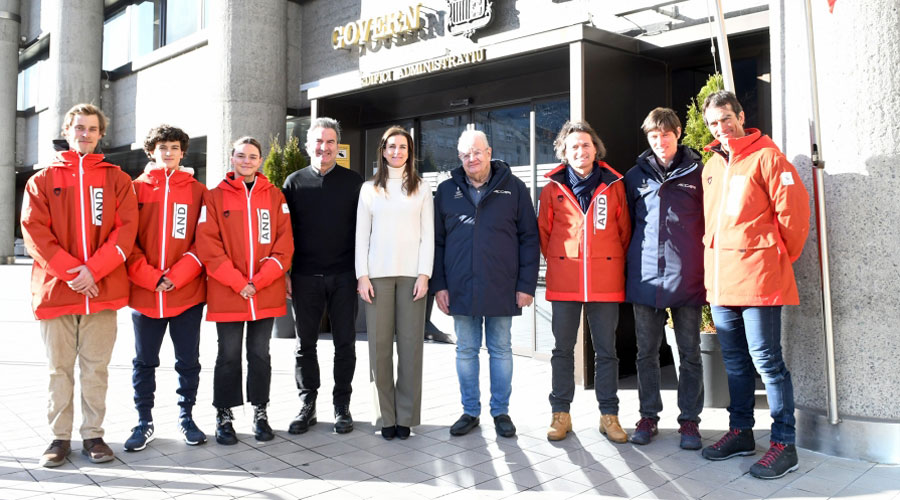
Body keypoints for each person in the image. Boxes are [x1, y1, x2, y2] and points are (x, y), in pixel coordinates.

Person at [699, 91, 810, 480]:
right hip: (722, 281)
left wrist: (774, 257)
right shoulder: (711, 165)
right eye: (714, 123)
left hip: (759, 280)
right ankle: (742, 432)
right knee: (734, 362)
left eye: (726, 119)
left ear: (741, 116)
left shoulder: (768, 158)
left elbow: (794, 217)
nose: (721, 128)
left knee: (767, 362)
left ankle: (784, 444)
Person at [21, 103, 138, 467]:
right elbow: (34, 232)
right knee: (58, 369)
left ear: (101, 134)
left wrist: (95, 271)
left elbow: (126, 230)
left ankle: (93, 436)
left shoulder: (118, 179)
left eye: (92, 128)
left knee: (95, 369)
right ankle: (59, 438)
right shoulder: (42, 180)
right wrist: (75, 273)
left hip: (102, 291)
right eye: (79, 128)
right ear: (67, 131)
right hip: (56, 290)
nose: (85, 134)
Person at [432, 129, 540, 438]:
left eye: (477, 152)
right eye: (466, 154)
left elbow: (529, 239)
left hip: (501, 285)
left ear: (489, 153)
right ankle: (470, 411)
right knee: (466, 350)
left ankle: (500, 412)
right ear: (459, 158)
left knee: (500, 349)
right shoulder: (446, 190)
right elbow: (437, 242)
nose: (472, 159)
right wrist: (440, 285)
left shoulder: (514, 188)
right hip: (460, 286)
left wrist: (526, 286)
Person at [537, 121, 631, 443]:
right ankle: (560, 414)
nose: (581, 151)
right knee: (562, 350)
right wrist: (563, 261)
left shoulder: (613, 185)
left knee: (607, 351)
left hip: (605, 280)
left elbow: (624, 232)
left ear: (595, 149)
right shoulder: (552, 189)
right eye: (574, 146)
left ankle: (609, 415)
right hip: (565, 280)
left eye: (586, 145)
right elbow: (545, 234)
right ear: (564, 151)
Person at [197, 136, 293, 445]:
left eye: (252, 156)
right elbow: (208, 246)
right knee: (228, 355)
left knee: (259, 354)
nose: (246, 161)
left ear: (260, 161)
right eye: (241, 156)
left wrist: (259, 282)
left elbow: (284, 245)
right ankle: (224, 415)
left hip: (265, 291)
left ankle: (260, 412)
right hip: (228, 292)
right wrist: (239, 283)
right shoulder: (214, 197)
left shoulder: (275, 196)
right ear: (232, 159)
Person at [124, 125, 208, 452]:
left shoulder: (198, 191)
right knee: (144, 362)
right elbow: (126, 240)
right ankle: (143, 421)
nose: (168, 152)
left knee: (188, 361)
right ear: (151, 151)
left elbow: (205, 240)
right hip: (146, 294)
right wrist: (150, 277)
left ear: (183, 152)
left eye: (174, 147)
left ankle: (186, 417)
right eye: (162, 147)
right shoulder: (134, 189)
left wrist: (179, 274)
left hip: (186, 293)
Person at [624, 108, 705, 449]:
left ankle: (690, 421)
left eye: (666, 135)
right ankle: (648, 416)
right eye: (654, 136)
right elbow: (627, 225)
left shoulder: (699, 172)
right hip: (645, 278)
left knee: (689, 353)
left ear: (678, 133)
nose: (660, 141)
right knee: (646, 353)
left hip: (688, 277)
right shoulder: (634, 177)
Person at [283, 118, 363, 435]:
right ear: (308, 145)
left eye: (330, 142)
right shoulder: (293, 183)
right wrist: (285, 272)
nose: (324, 147)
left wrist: (363, 274)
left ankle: (342, 406)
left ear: (337, 146)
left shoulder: (354, 182)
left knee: (345, 344)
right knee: (305, 345)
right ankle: (308, 405)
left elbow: (364, 231)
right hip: (305, 276)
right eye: (318, 141)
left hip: (345, 275)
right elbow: (283, 233)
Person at [355, 126, 434, 440]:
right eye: (391, 147)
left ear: (409, 152)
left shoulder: (422, 188)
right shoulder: (369, 189)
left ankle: (406, 418)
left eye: (402, 147)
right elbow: (361, 236)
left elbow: (428, 235)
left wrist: (425, 274)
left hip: (413, 277)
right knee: (379, 348)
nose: (397, 152)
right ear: (383, 151)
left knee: (411, 348)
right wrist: (362, 275)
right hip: (377, 277)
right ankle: (385, 417)